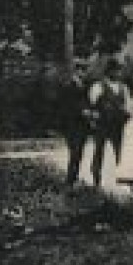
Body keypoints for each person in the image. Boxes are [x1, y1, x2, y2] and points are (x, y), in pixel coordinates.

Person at [87, 59, 130, 188]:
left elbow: (127, 105)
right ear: (109, 71)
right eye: (116, 70)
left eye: (119, 70)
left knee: (120, 150)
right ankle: (96, 177)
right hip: (103, 123)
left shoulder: (123, 87)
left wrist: (126, 114)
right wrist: (93, 119)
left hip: (118, 124)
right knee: (99, 150)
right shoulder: (98, 86)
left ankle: (121, 176)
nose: (118, 73)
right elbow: (92, 103)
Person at [55, 61, 93, 189]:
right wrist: (80, 111)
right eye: (81, 70)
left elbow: (89, 102)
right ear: (76, 71)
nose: (84, 73)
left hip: (83, 125)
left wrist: (88, 112)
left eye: (85, 70)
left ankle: (73, 178)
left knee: (79, 152)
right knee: (75, 151)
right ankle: (70, 180)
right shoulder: (68, 87)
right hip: (71, 125)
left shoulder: (86, 86)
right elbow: (65, 107)